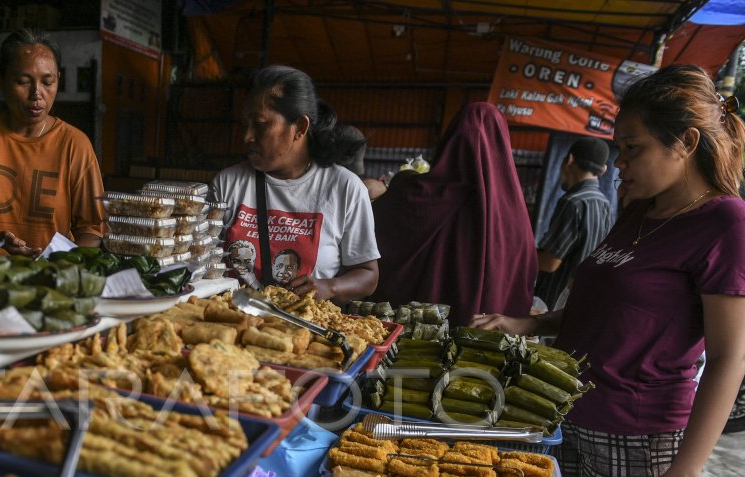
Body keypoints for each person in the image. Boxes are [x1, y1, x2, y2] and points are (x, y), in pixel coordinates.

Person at [472, 65, 745, 477]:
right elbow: (602, 308)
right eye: (619, 148)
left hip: (639, 432)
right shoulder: (638, 212)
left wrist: (684, 474)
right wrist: (530, 324)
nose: (621, 162)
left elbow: (730, 359)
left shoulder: (724, 222)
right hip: (577, 417)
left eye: (634, 149)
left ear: (687, 144)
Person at [212, 65, 379, 301]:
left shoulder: (345, 188)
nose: (247, 136)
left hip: (304, 330)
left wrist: (330, 287)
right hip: (236, 325)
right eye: (245, 124)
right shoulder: (228, 184)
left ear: (300, 127)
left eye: (260, 125)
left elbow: (368, 275)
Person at [0, 29, 104, 258]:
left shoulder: (75, 145)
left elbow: (92, 229)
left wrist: (57, 263)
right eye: (23, 82)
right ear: (0, 78)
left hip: (53, 279)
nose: (37, 94)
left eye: (48, 82)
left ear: (58, 79)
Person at [370, 102, 537, 324]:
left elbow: (389, 224)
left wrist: (402, 180)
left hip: (418, 338)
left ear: (452, 140)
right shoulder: (516, 214)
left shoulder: (420, 196)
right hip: (481, 343)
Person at [534, 137, 613, 310]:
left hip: (551, 304)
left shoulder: (572, 202)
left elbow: (549, 263)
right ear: (604, 170)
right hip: (582, 301)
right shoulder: (606, 204)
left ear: (569, 159)